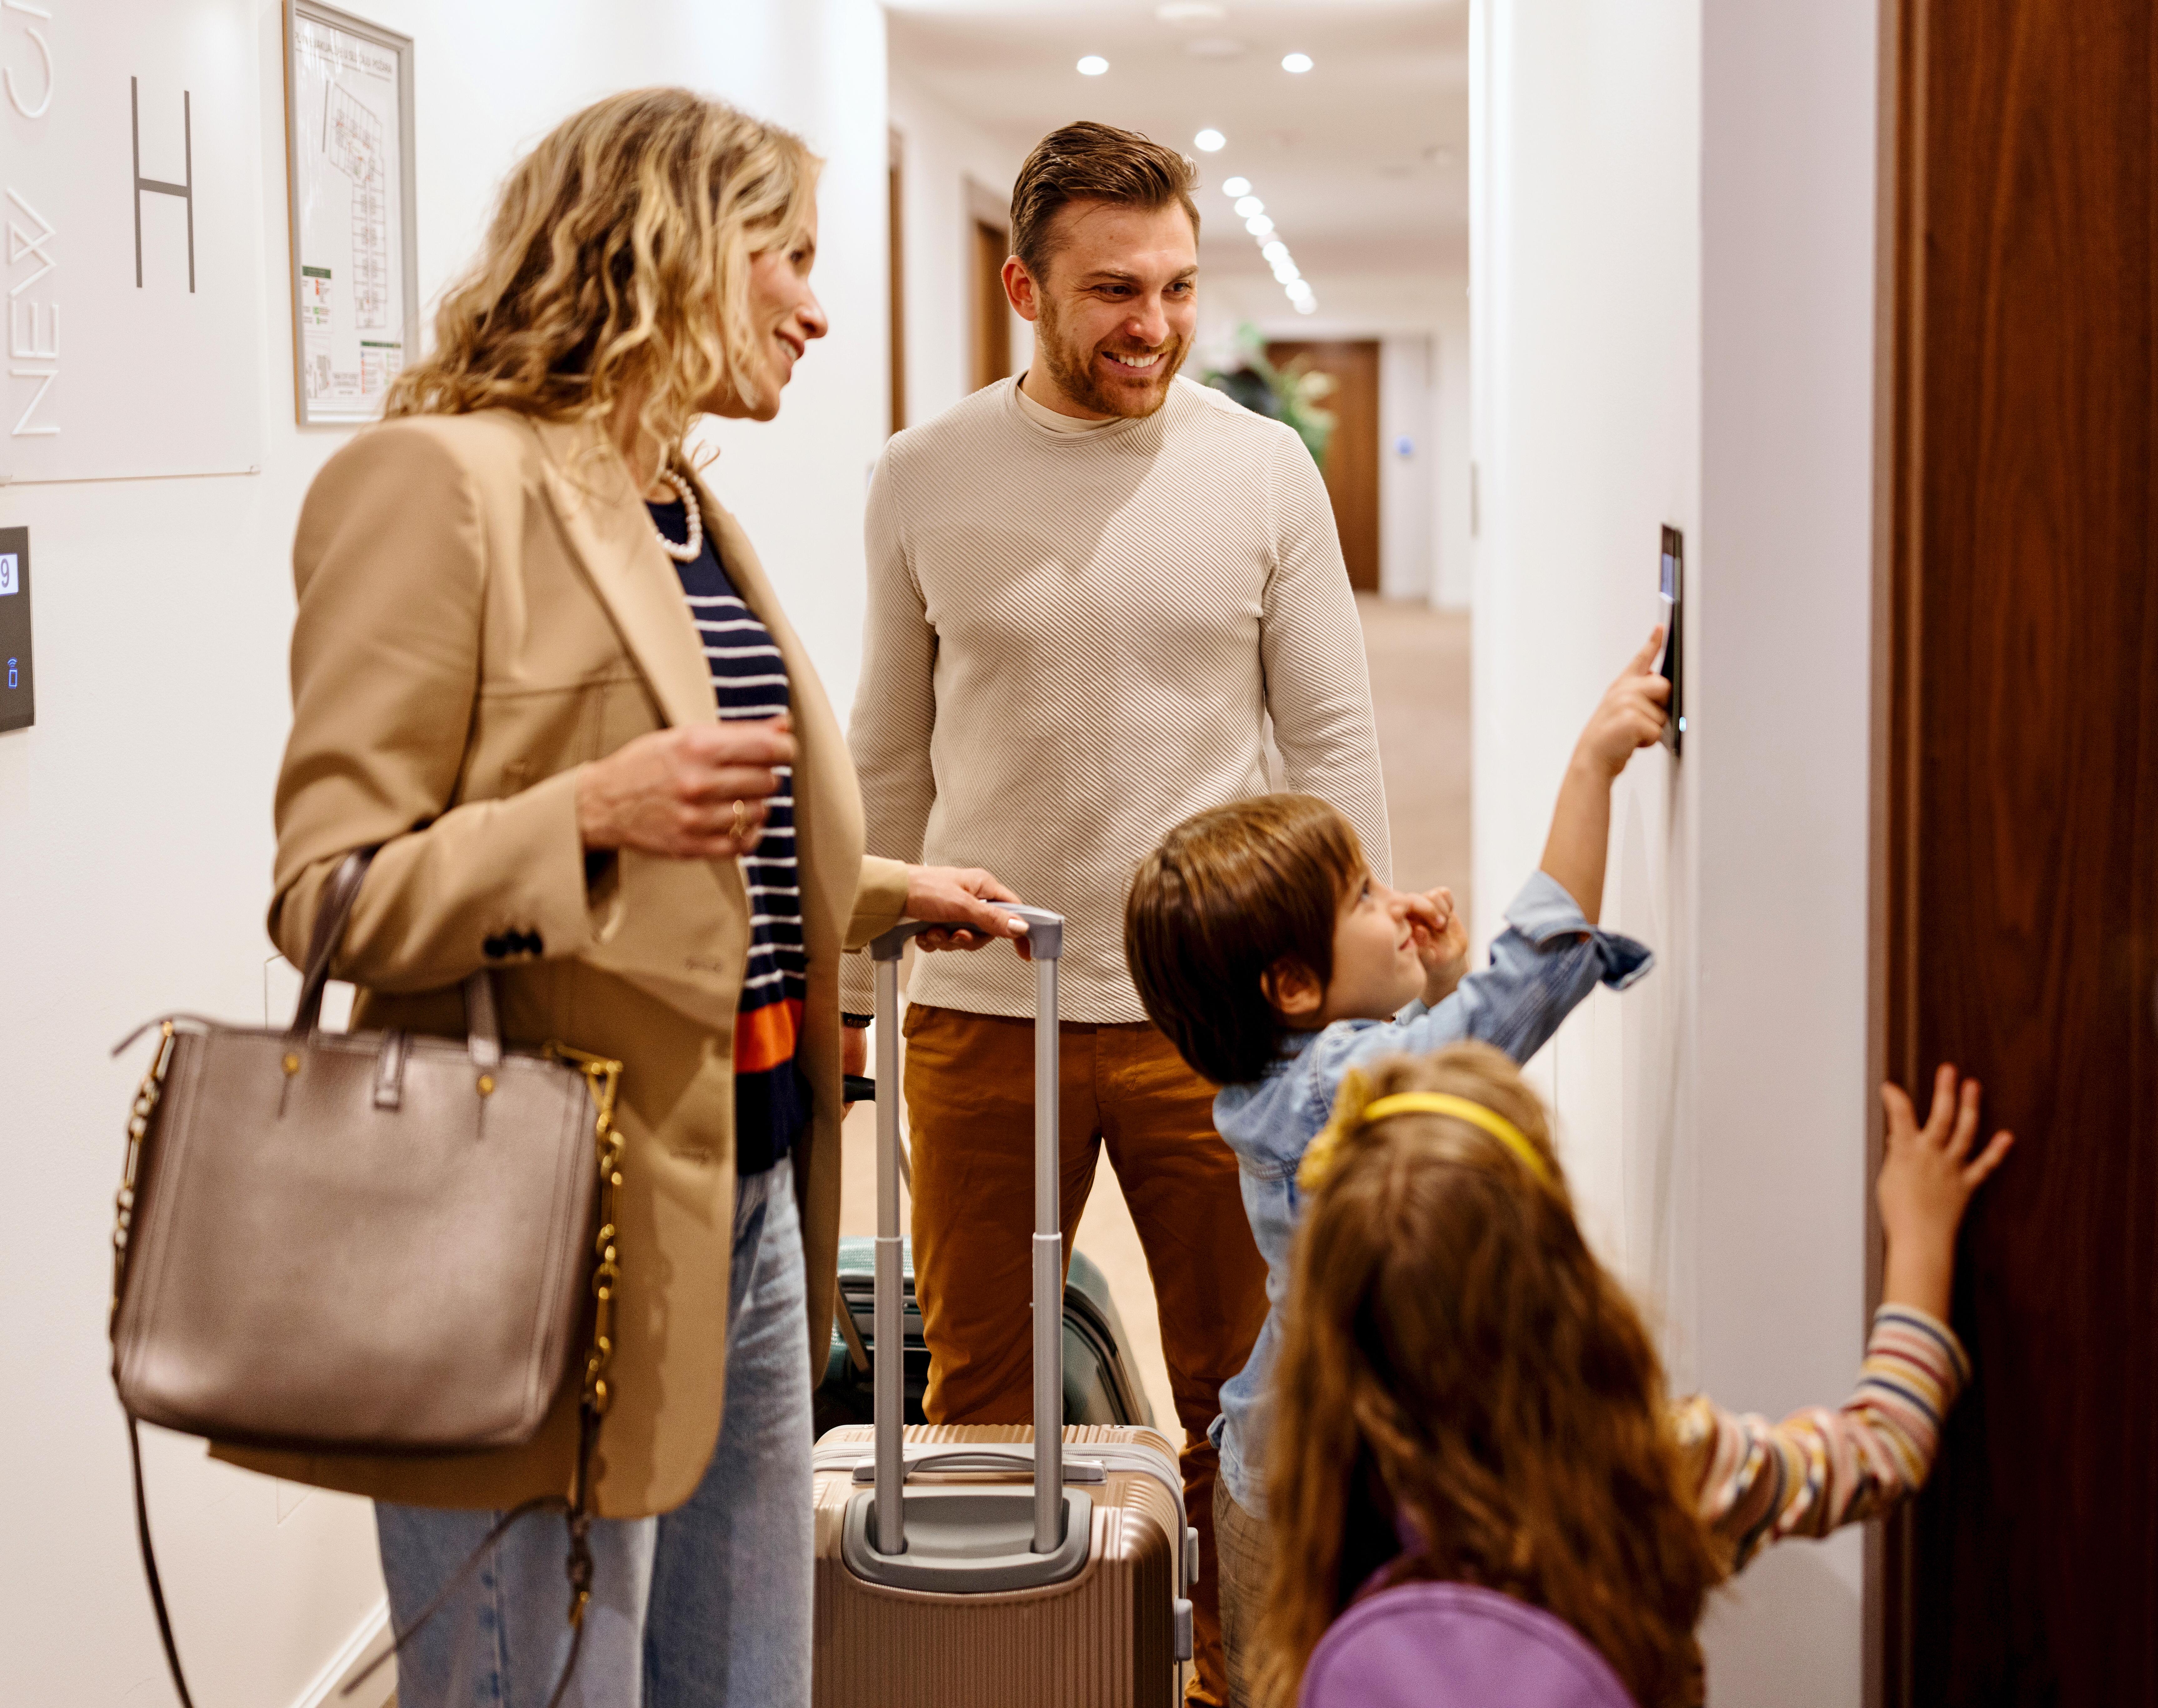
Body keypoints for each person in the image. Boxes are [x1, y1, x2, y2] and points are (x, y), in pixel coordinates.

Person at [238, 89, 1026, 1708]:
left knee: (747, 1682)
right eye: (788, 256)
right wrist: (586, 816)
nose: (818, 307)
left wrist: (878, 891)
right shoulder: (437, 484)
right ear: (670, 243)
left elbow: (701, 837)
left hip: (750, 1187)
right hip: (536, 1215)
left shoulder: (679, 505)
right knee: (542, 1682)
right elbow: (331, 896)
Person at [847, 118, 1391, 1702]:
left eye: (1175, 287)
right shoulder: (922, 476)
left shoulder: (1262, 469)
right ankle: (1006, 1675)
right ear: (1024, 287)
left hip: (1213, 1018)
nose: (1152, 324)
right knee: (981, 1398)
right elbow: (888, 750)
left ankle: (1237, 1677)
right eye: (1112, 291)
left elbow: (1332, 740)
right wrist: (855, 997)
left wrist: (1354, 992)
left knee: (1245, 1392)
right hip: (981, 1009)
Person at [1123, 625, 1673, 1703]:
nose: (1395, 904)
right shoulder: (1329, 1091)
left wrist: (1436, 979)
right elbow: (1518, 996)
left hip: (1273, 1471)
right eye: (1364, 899)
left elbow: (1425, 1065)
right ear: (1292, 987)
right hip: (1322, 1499)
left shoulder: (1282, 1080)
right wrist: (1592, 764)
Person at [1251, 1043, 2010, 1708]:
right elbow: (1882, 1447)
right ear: (1557, 1275)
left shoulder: (1335, 1494)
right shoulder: (1657, 1465)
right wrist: (1920, 1236)